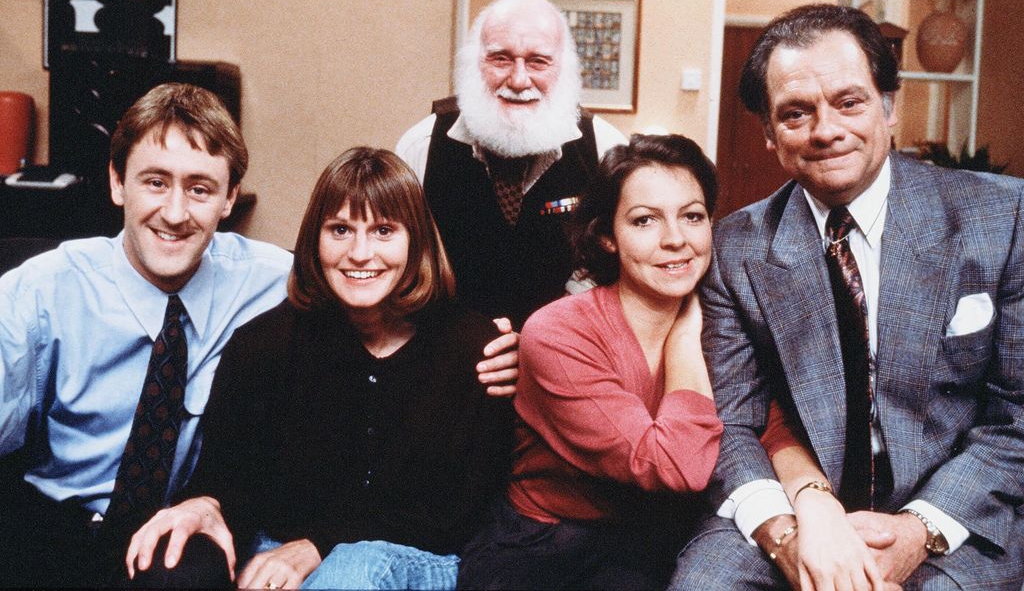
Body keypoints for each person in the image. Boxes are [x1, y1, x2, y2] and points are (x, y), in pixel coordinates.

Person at [671, 4, 1024, 590]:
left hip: (953, 511)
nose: (826, 130)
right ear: (768, 134)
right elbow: (731, 424)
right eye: (795, 113)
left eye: (849, 101)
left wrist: (917, 532)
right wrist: (789, 538)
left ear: (890, 107)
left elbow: (1017, 420)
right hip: (794, 504)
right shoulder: (734, 248)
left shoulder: (1004, 219)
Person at [126, 147, 515, 590]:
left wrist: (319, 545)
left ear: (417, 241)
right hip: (279, 545)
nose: (360, 253)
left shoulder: (474, 348)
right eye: (340, 229)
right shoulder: (264, 344)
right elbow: (230, 479)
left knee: (352, 573)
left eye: (384, 231)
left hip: (422, 556)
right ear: (315, 239)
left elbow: (461, 512)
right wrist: (204, 508)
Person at [0, 83, 293, 587]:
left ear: (229, 200)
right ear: (117, 183)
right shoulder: (40, 292)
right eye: (155, 182)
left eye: (200, 189)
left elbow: (389, 297)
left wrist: (479, 346)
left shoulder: (274, 282)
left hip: (174, 538)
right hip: (52, 527)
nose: (176, 214)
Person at [457, 134, 724, 590]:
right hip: (544, 546)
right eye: (645, 221)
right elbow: (670, 465)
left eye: (693, 217)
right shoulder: (558, 333)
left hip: (663, 539)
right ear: (607, 236)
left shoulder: (726, 316)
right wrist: (682, 340)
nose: (676, 239)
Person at [396, 0, 627, 329]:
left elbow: (622, 273)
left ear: (563, 69)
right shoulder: (421, 146)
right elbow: (400, 273)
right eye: (501, 59)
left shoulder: (605, 149)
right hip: (449, 358)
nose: (519, 80)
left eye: (538, 61)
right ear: (475, 65)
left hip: (567, 353)